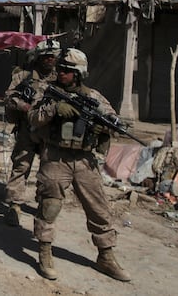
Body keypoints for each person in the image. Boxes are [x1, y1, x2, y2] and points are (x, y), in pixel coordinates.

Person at [28, 48, 131, 282]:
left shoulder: (93, 96)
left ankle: (106, 255)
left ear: (79, 74)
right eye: (60, 69)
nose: (60, 72)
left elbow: (113, 120)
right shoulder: (47, 91)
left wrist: (103, 126)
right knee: (49, 206)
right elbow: (33, 118)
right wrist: (54, 109)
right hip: (55, 157)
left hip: (85, 160)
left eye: (67, 70)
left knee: (99, 209)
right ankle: (45, 251)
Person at [2, 39, 61, 226]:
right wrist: (24, 106)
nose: (49, 60)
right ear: (38, 57)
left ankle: (42, 203)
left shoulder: (61, 78)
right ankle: (14, 205)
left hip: (49, 133)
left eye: (52, 57)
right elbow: (9, 97)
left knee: (48, 170)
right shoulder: (23, 76)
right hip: (27, 129)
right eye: (45, 57)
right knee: (21, 166)